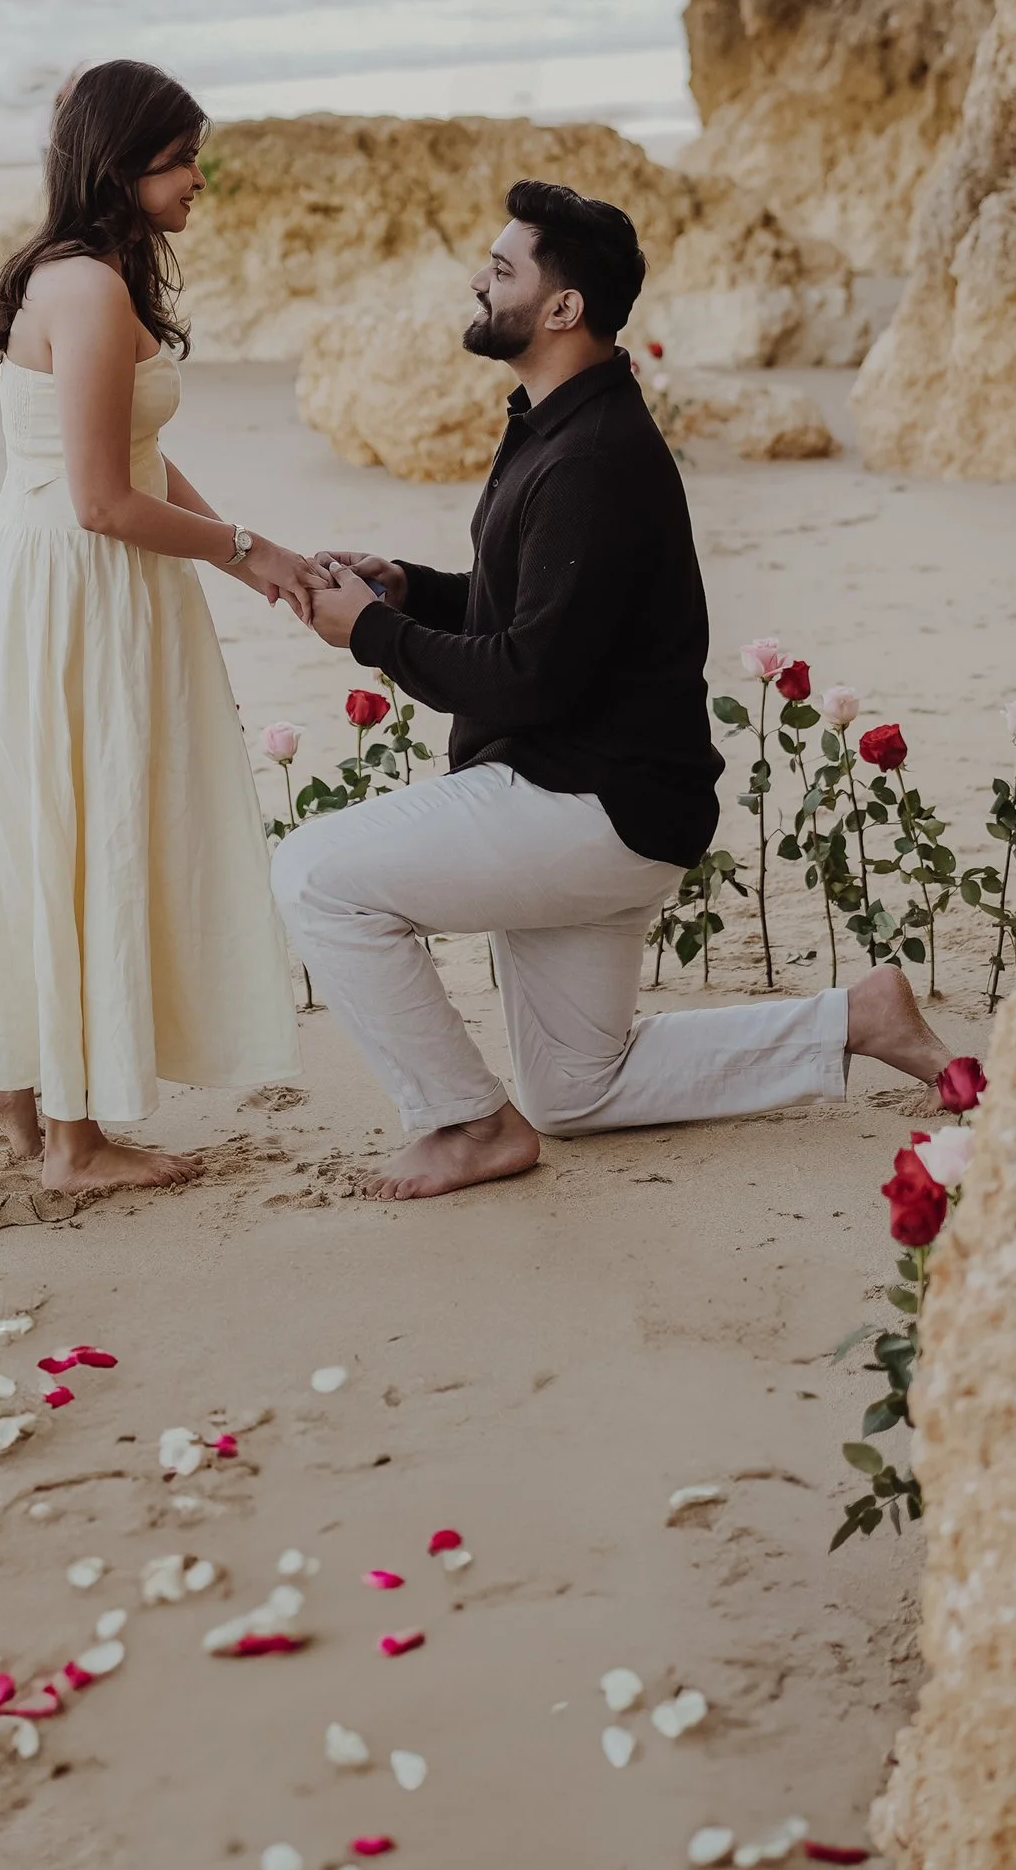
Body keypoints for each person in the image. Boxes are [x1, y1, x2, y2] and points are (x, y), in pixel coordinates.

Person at [277, 178, 953, 1198]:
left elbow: (531, 677)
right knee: (578, 1090)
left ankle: (465, 1123)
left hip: (582, 804)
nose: (478, 278)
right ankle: (854, 1018)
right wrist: (410, 590)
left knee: (316, 876)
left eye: (502, 269)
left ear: (562, 308)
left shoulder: (593, 455)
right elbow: (537, 616)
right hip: (604, 801)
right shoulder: (557, 424)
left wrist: (373, 633)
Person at [0, 58, 316, 1193]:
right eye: (179, 157)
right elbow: (105, 500)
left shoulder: (80, 274)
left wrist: (253, 556)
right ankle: (73, 1145)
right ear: (122, 166)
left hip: (66, 572)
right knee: (87, 819)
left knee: (61, 821)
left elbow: (133, 458)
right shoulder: (87, 290)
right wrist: (245, 552)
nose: (199, 176)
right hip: (82, 581)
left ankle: (24, 1084)